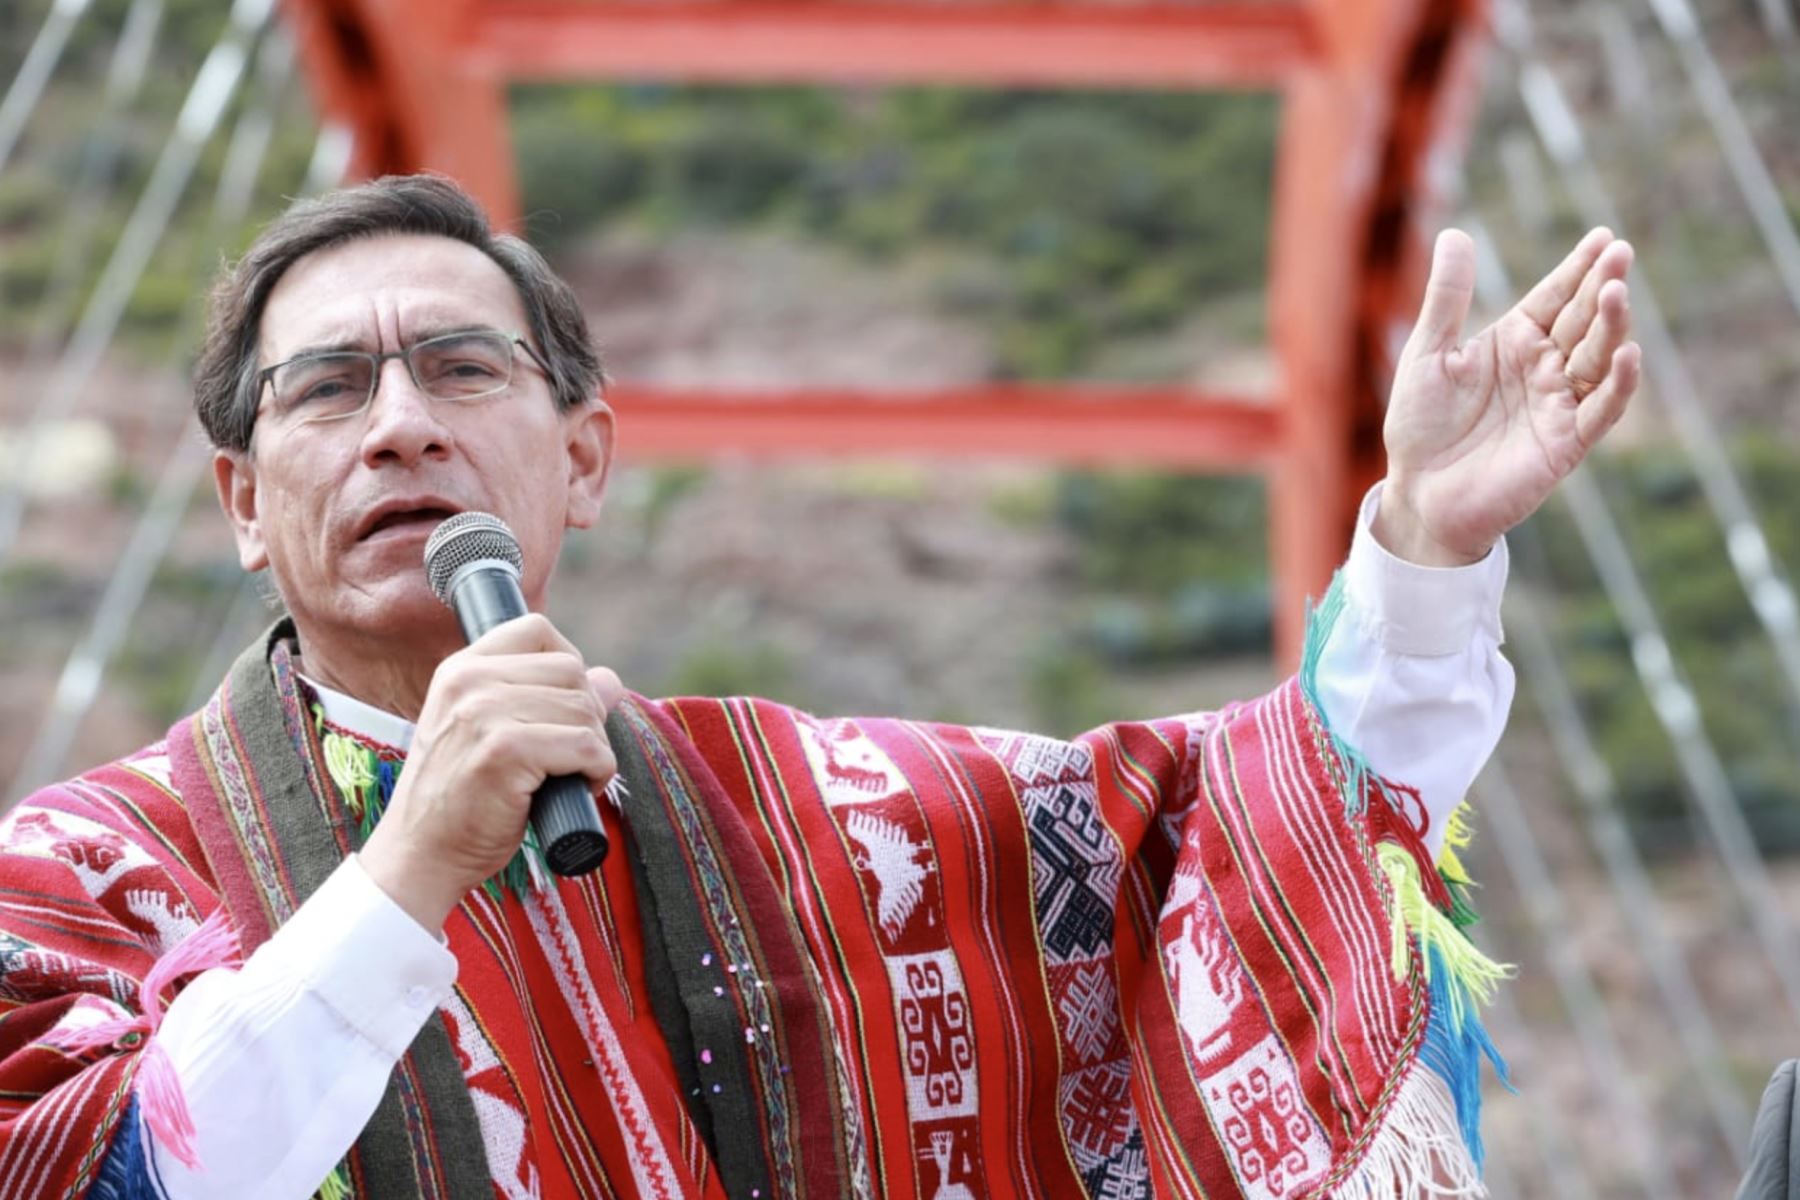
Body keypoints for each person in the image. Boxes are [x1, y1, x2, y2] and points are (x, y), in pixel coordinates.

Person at [0, 174, 1638, 1200]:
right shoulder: (86, 873)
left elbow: (1221, 825)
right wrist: (408, 868)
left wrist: (1424, 550)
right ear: (241, 504)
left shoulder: (810, 815)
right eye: (328, 389)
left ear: (584, 462)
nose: (400, 425)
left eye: (461, 367)